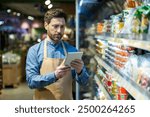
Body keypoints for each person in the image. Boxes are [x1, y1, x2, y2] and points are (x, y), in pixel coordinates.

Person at [26, 8, 89, 100]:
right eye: (55, 26)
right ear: (46, 25)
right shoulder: (34, 51)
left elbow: (85, 82)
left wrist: (80, 72)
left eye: (62, 26)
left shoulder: (72, 51)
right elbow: (31, 82)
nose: (59, 31)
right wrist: (54, 75)